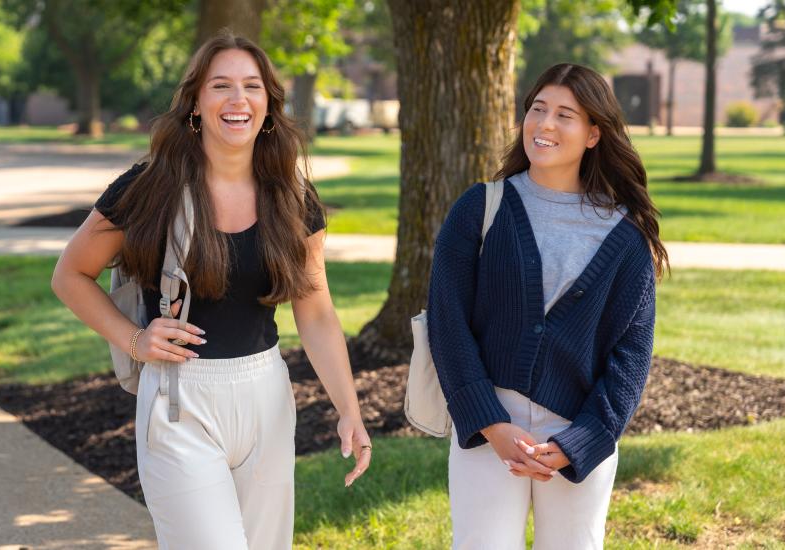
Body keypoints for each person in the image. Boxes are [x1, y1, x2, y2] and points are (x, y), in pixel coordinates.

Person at [51, 32, 371, 550]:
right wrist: (135, 339)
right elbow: (69, 275)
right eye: (221, 86)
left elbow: (315, 312)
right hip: (178, 398)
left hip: (266, 394)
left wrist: (349, 410)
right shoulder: (148, 187)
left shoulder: (292, 197)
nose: (237, 100)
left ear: (268, 105)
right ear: (196, 103)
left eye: (251, 87)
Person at [428, 63, 669, 549]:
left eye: (565, 115)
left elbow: (631, 357)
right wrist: (491, 424)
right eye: (537, 109)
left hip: (579, 431)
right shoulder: (480, 207)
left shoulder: (625, 234)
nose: (545, 125)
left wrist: (576, 444)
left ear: (594, 134)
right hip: (487, 426)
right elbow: (447, 322)